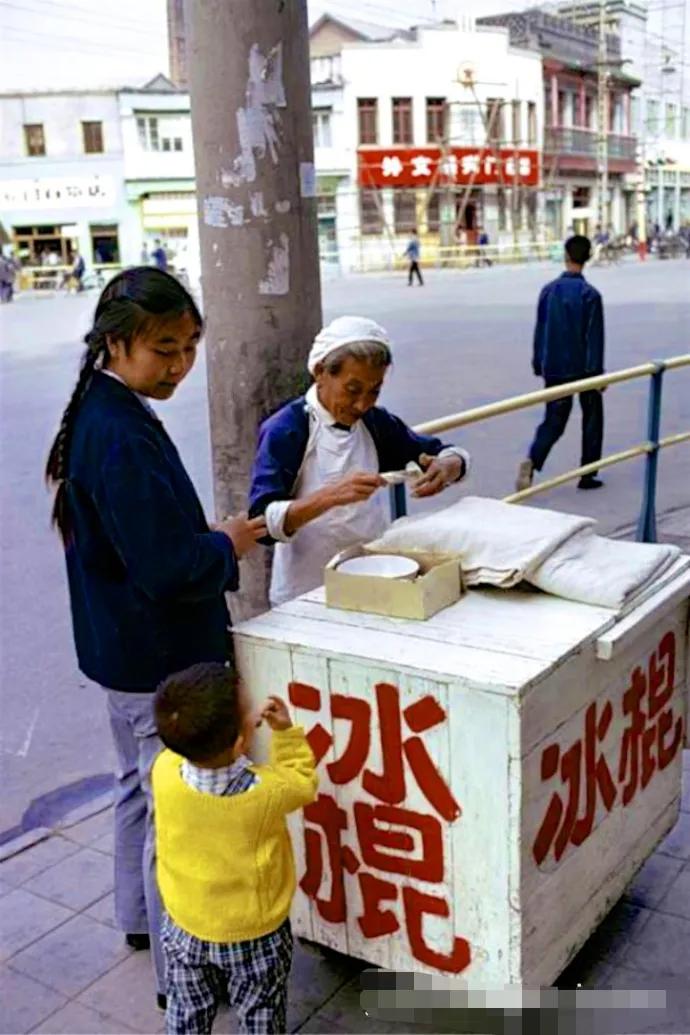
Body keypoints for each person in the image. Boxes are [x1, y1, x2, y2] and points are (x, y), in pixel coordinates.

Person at [45, 267, 266, 1008]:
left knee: (135, 793)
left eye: (190, 346)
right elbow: (171, 570)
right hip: (156, 661)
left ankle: (136, 920)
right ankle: (184, 981)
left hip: (119, 654)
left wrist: (193, 539)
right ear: (117, 343)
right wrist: (227, 542)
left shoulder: (101, 408)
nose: (179, 365)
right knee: (169, 818)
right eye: (164, 349)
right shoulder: (119, 433)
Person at [248, 315, 471, 606]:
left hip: (373, 577)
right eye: (352, 390)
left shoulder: (375, 423)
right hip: (305, 590)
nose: (362, 404)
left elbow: (441, 452)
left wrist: (449, 465)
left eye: (374, 391)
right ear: (320, 372)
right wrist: (330, 496)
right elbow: (261, 522)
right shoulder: (287, 430)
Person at [152, 662, 317, 1034]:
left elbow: (189, 750)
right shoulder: (266, 792)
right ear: (243, 740)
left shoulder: (163, 770)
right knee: (260, 1013)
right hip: (254, 935)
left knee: (186, 1012)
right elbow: (303, 781)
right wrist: (286, 733)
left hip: (185, 925)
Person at [516, 235, 605, 493]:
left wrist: (538, 363)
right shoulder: (590, 295)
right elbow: (594, 337)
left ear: (566, 256)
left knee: (554, 420)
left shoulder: (549, 291)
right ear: (587, 258)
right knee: (592, 419)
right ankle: (588, 473)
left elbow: (540, 330)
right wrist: (597, 373)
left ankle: (533, 460)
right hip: (584, 369)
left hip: (554, 366)